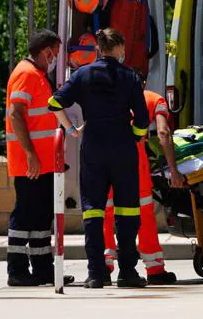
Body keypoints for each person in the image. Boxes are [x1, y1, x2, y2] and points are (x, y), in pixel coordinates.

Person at [48, 28, 149, 289]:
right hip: (123, 145)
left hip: (93, 145)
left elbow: (55, 102)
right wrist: (136, 137)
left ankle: (96, 274)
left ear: (99, 49)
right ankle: (128, 272)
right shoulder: (130, 76)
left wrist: (70, 130)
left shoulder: (83, 74)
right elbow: (141, 118)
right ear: (119, 48)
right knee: (128, 210)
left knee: (93, 210)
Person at [5, 29, 75, 287]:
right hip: (31, 164)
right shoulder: (25, 74)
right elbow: (16, 114)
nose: (56, 58)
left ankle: (44, 270)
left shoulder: (36, 75)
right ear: (46, 51)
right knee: (25, 216)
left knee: (41, 218)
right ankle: (18, 270)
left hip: (44, 163)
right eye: (54, 53)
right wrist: (31, 155)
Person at [104, 89, 183, 285]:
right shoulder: (154, 99)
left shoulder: (107, 94)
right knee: (144, 216)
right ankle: (154, 268)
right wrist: (173, 169)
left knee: (106, 215)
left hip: (105, 161)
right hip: (134, 164)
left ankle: (103, 268)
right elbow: (163, 132)